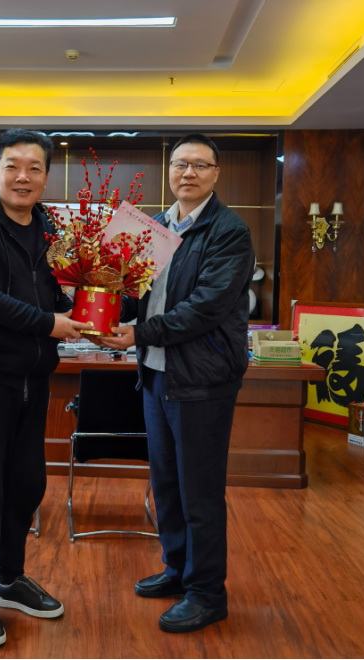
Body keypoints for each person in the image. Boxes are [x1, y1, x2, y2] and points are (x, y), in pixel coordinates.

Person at [97, 133, 255, 633]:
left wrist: (139, 333)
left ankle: (207, 593)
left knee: (199, 492)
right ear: (169, 171)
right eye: (181, 163)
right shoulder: (154, 226)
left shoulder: (229, 231)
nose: (189, 172)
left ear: (216, 174)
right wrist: (101, 302)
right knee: (166, 484)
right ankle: (178, 569)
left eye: (200, 165)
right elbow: (135, 295)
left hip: (202, 380)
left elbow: (205, 307)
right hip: (156, 374)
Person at [0, 128, 89, 647]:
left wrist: (99, 303)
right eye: (13, 166)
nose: (23, 177)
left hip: (35, 377)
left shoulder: (51, 229)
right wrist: (50, 323)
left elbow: (64, 291)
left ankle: (8, 578)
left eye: (34, 168)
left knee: (28, 484)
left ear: (46, 177)